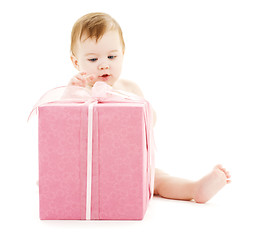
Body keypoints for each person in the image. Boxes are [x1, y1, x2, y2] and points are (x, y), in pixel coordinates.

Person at [67, 12, 231, 203]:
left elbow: (150, 120)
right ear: (76, 62)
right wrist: (71, 92)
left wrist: (143, 115)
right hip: (93, 169)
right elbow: (62, 123)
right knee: (73, 179)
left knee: (158, 179)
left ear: (122, 54)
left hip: (130, 165)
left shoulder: (130, 89)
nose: (104, 65)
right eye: (93, 60)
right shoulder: (78, 92)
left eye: (112, 56)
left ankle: (194, 189)